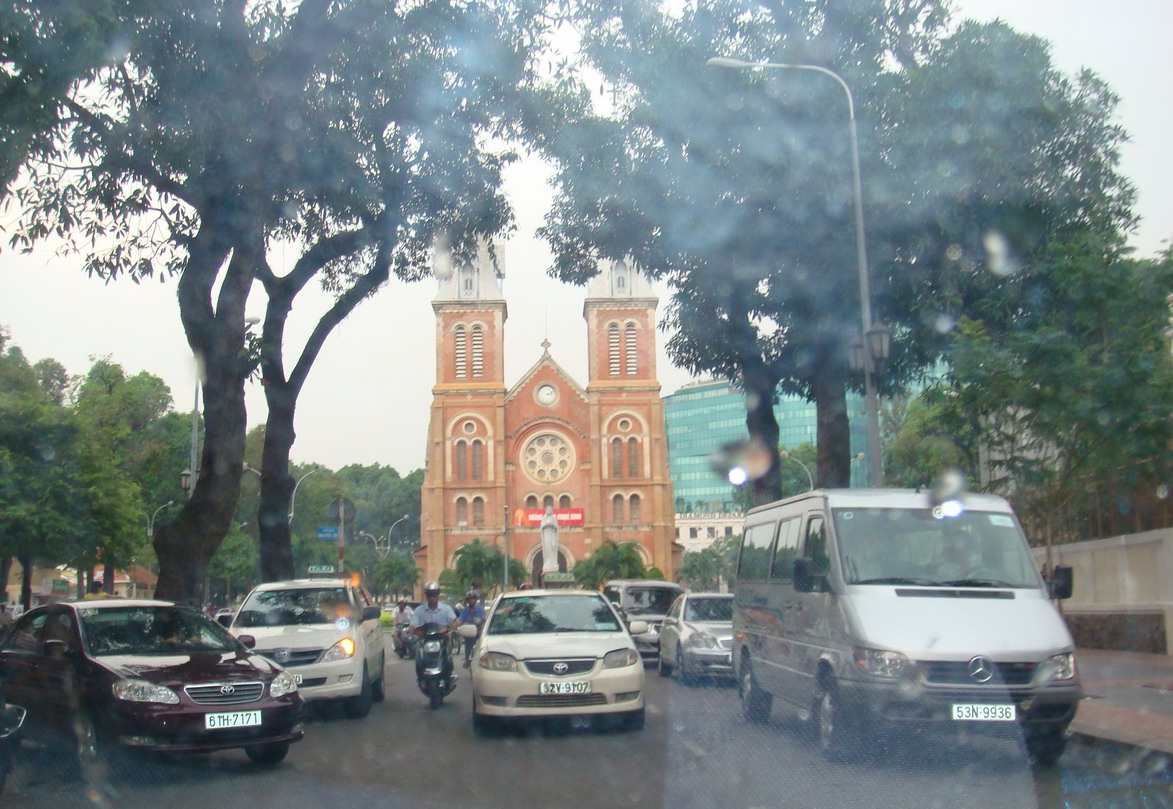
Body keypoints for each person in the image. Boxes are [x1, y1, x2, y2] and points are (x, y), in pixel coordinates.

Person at [457, 591, 485, 668]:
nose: (471, 600)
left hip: (479, 632)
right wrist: (454, 625)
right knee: (468, 643)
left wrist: (482, 623)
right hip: (469, 634)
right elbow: (460, 621)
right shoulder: (465, 611)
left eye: (472, 598)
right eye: (469, 599)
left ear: (476, 599)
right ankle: (467, 659)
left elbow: (484, 619)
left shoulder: (480, 609)